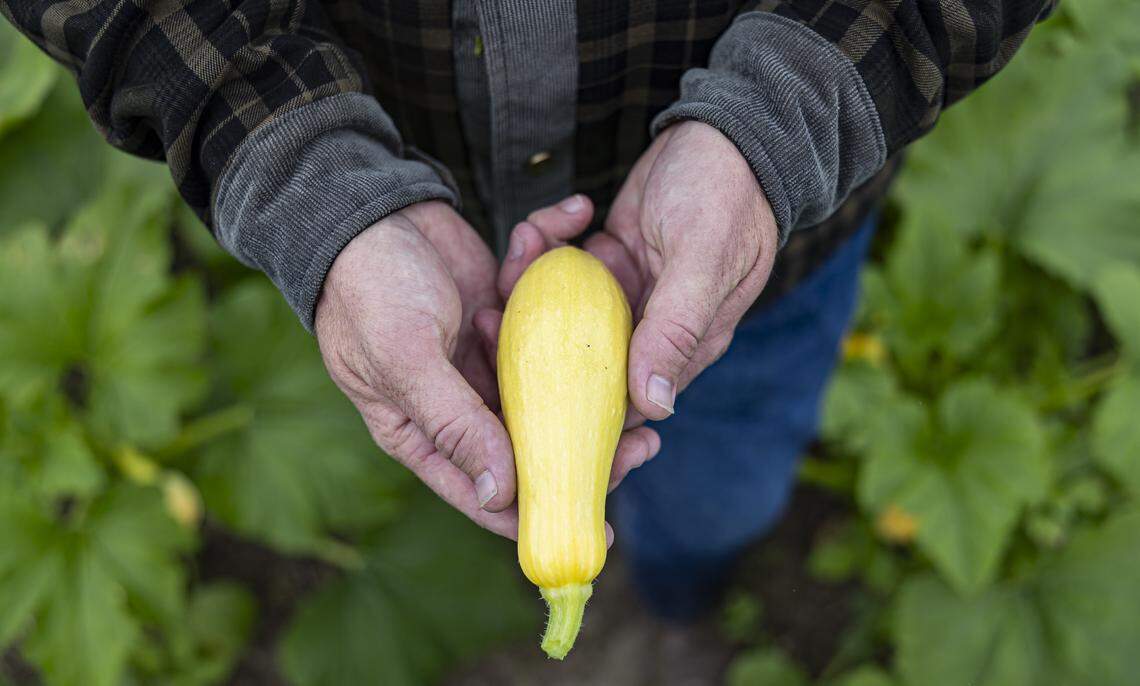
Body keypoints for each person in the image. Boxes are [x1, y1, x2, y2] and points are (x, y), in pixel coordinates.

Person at [1, 0, 1056, 620]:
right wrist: (292, 153)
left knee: (716, 496)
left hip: (767, 237)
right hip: (385, 186)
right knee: (673, 485)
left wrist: (783, 119)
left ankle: (679, 593)